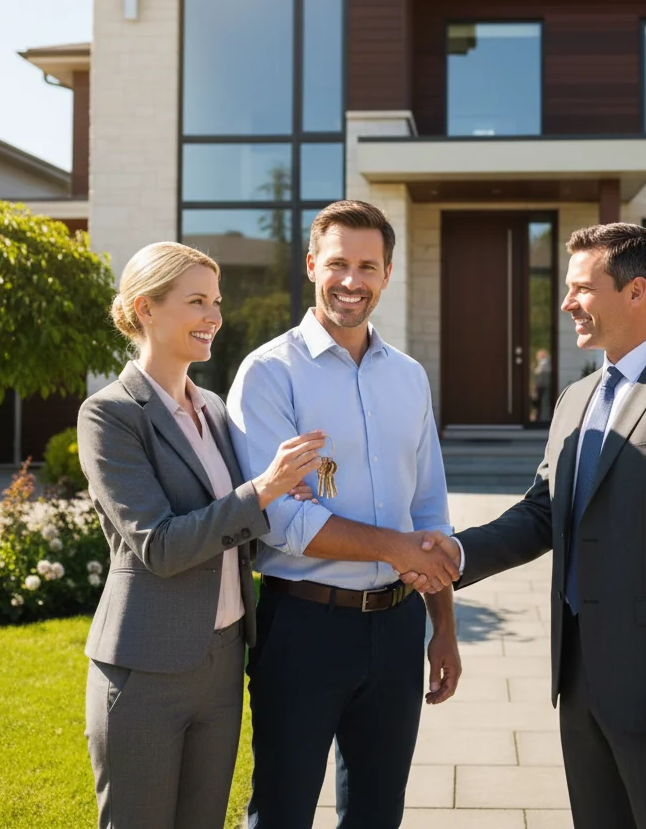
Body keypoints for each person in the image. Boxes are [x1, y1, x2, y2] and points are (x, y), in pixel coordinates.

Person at [414, 222, 646, 829]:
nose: (567, 302)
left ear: (634, 292)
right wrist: (457, 554)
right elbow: (544, 512)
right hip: (578, 685)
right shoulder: (575, 399)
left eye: (581, 288)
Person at [227, 200, 462, 829]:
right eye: (337, 264)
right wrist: (397, 548)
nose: (351, 281)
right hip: (305, 628)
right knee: (281, 813)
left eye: (367, 266)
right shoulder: (268, 374)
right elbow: (284, 523)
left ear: (388, 274)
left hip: (397, 631)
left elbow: (429, 510)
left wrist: (443, 626)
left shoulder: (410, 377)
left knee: (378, 815)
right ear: (311, 266)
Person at [77, 241, 327, 829]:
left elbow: (236, 523)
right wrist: (261, 490)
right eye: (196, 301)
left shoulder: (213, 408)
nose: (214, 316)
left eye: (216, 301)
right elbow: (160, 545)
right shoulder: (110, 415)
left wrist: (286, 493)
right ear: (145, 309)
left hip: (221, 660)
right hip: (145, 667)